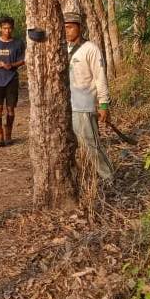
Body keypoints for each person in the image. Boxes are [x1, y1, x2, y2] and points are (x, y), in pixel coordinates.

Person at [64, 12, 114, 181]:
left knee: (91, 144)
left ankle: (108, 176)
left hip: (84, 105)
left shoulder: (90, 49)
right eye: (64, 27)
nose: (67, 31)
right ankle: (81, 177)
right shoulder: (61, 49)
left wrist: (104, 104)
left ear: (80, 27)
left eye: (70, 27)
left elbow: (100, 77)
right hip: (66, 106)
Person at [0, 16, 25, 147]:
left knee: (10, 110)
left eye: (9, 28)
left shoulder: (18, 43)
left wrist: (12, 65)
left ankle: (8, 133)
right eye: (4, 28)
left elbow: (23, 59)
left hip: (12, 79)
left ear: (12, 29)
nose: (7, 31)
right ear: (0, 29)